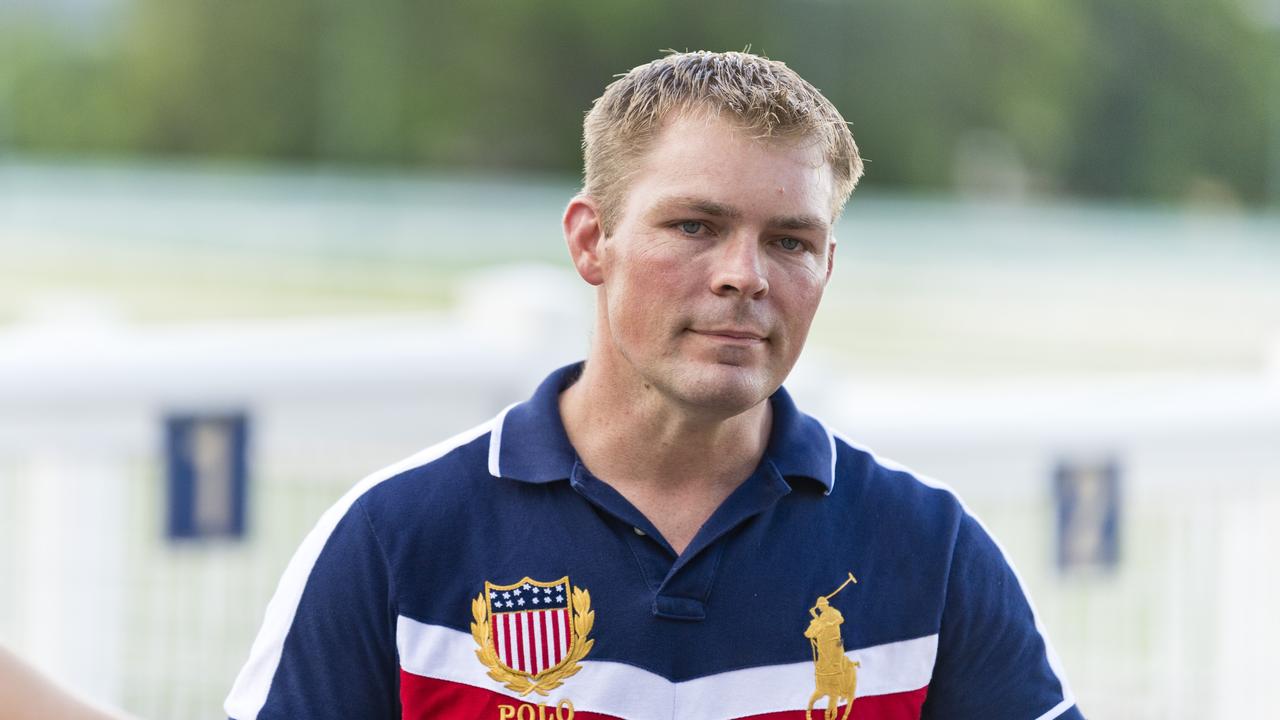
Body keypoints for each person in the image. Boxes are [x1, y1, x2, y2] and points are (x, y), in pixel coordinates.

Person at [225, 50, 1082, 720]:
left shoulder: (929, 550)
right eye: (696, 226)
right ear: (591, 242)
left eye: (790, 242)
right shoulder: (396, 537)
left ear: (827, 265)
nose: (744, 275)